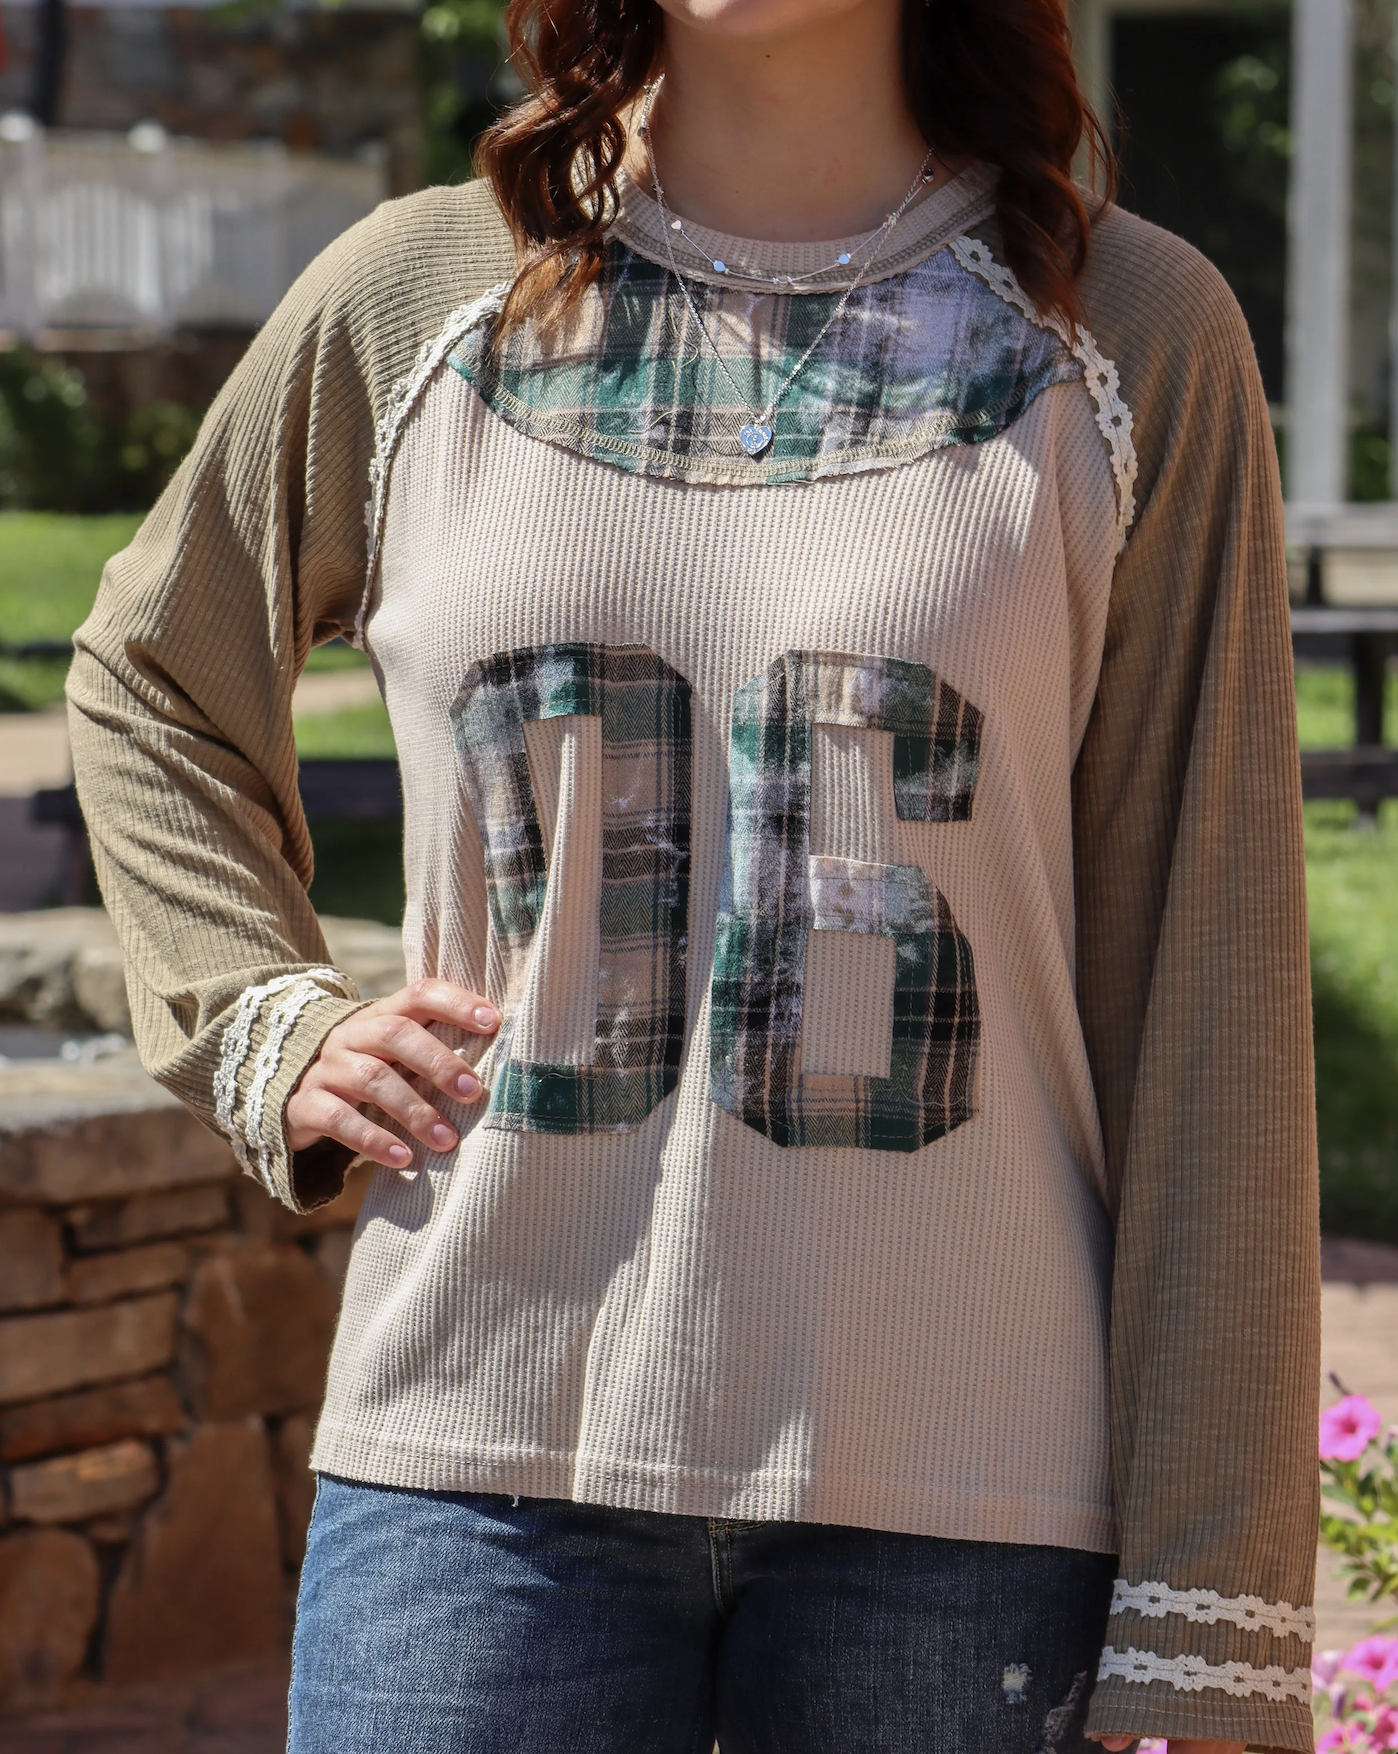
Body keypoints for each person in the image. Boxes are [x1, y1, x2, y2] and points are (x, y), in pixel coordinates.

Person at [66, 0, 1320, 1748]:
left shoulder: (1128, 331)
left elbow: (1217, 994)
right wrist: (266, 1015)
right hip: (474, 1465)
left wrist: (1211, 1611)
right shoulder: (410, 296)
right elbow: (151, 683)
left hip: (969, 1509)